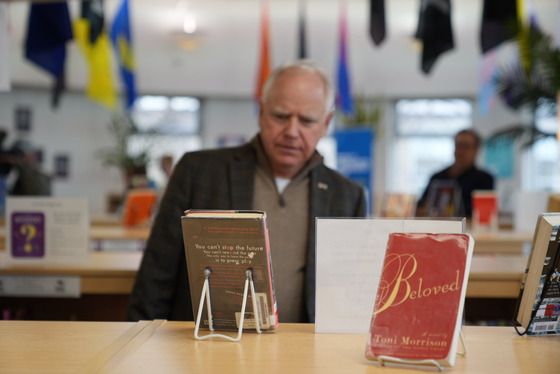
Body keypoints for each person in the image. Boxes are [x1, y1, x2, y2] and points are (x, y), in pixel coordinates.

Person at [127, 60, 367, 323]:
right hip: (206, 348)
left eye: (307, 120)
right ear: (261, 112)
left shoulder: (348, 196)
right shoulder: (199, 172)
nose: (292, 131)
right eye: (281, 116)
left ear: (326, 123)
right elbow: (156, 274)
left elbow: (350, 297)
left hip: (303, 355)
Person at [416, 129, 494, 218]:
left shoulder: (484, 179)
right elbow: (421, 204)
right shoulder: (437, 177)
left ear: (476, 150)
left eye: (466, 147)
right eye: (459, 146)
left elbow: (483, 211)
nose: (461, 151)